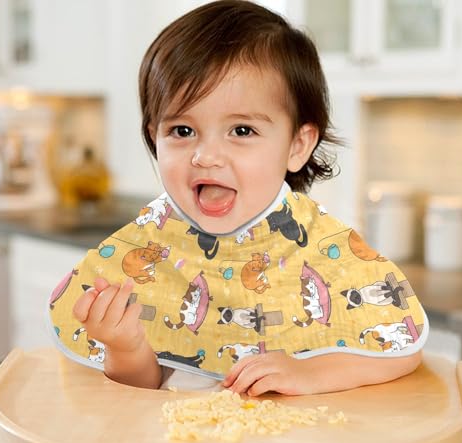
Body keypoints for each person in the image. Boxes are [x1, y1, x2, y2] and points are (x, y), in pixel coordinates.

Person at [50, 0, 428, 399]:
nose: (206, 156)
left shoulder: (322, 246)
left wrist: (309, 372)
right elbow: (144, 391)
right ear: (154, 136)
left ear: (297, 145)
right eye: (182, 131)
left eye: (242, 131)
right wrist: (125, 348)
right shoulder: (145, 248)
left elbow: (400, 349)